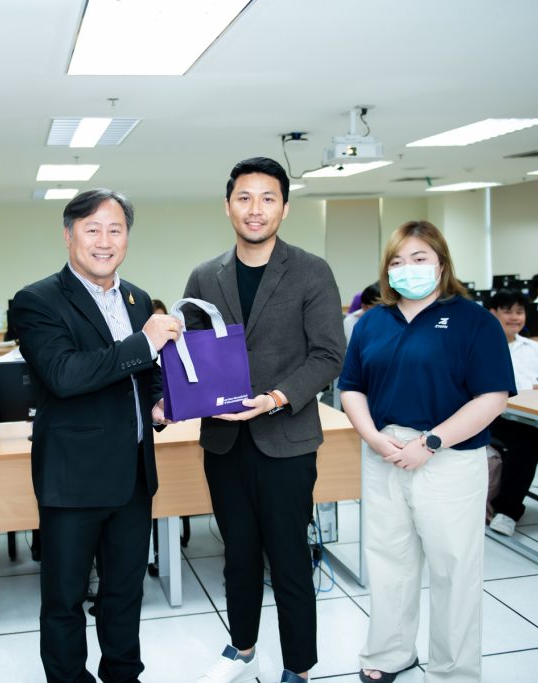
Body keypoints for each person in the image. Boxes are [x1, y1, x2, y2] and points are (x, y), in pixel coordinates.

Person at [10, 189, 181, 683]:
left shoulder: (138, 299)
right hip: (74, 481)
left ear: (127, 237)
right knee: (64, 599)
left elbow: (146, 374)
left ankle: (124, 674)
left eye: (115, 229)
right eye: (92, 229)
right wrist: (144, 342)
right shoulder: (37, 300)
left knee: (125, 592)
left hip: (133, 477)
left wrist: (157, 404)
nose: (104, 241)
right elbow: (63, 374)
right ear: (69, 236)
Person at [185, 157, 345, 683]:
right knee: (238, 554)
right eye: (245, 198)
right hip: (224, 442)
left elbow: (328, 354)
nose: (255, 209)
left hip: (286, 438)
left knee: (290, 557)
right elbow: (193, 356)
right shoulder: (205, 275)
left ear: (284, 208)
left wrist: (276, 398)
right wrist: (187, 396)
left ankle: (298, 666)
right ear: (228, 205)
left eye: (268, 198)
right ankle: (243, 648)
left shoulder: (311, 270)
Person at [339, 220, 514, 683]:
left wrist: (431, 442)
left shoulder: (474, 320)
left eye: (419, 258)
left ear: (441, 264)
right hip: (384, 452)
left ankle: (454, 671)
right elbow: (351, 387)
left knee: (454, 568)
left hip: (448, 455)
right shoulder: (373, 321)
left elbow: (493, 397)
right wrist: (372, 436)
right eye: (397, 261)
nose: (407, 268)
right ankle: (390, 653)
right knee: (388, 560)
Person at [484, 289, 538, 537]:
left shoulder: (533, 348)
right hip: (493, 417)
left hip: (531, 416)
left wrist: (536, 387)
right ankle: (507, 511)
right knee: (528, 443)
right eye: (508, 311)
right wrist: (530, 387)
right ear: (492, 313)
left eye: (520, 312)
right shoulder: (480, 346)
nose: (515, 317)